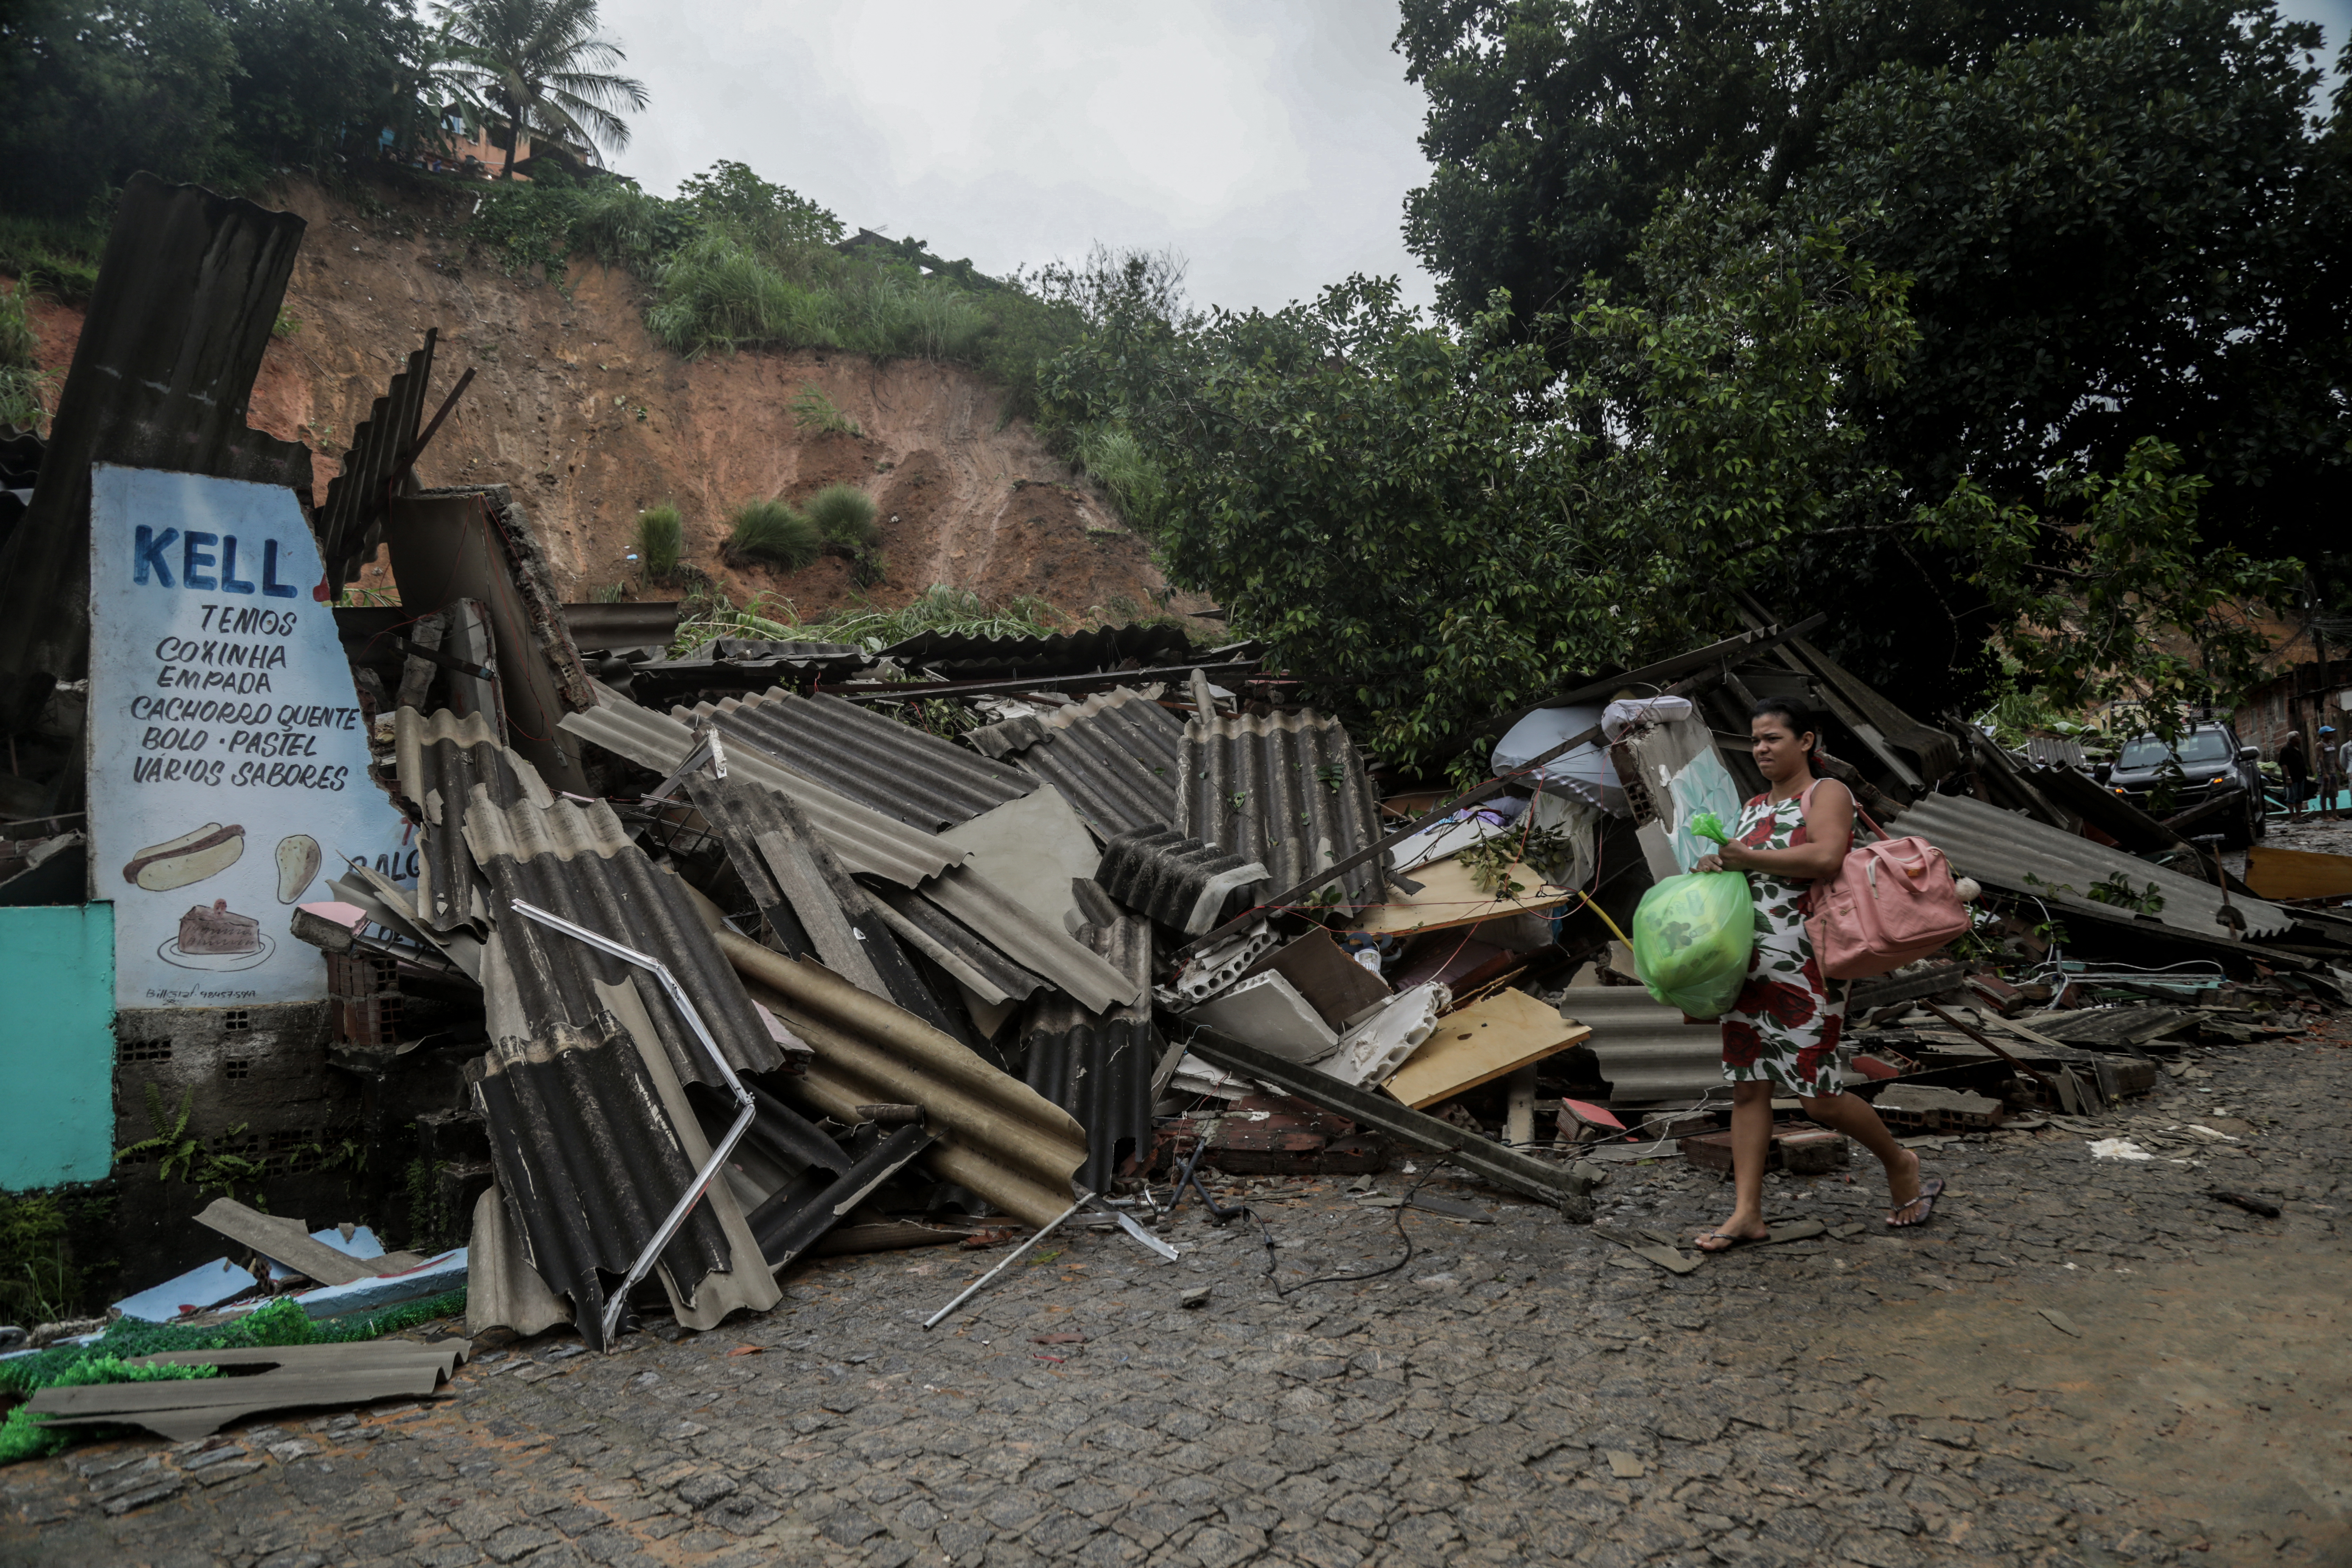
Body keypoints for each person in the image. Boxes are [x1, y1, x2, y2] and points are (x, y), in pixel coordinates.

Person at [1690, 698, 1938, 1250]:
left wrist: (1744, 859)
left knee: (1817, 1096)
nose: (1761, 749)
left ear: (1806, 741)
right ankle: (1747, 1213)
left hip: (1809, 962)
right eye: (1756, 740)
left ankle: (1901, 1162)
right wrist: (1714, 864)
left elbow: (1827, 857)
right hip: (1749, 965)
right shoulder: (1753, 806)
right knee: (1748, 1087)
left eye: (1774, 738)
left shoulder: (1826, 793)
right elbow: (1742, 870)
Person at [2280, 730, 2310, 821]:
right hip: (2292, 778)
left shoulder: (2297, 749)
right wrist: (2288, 778)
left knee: (2299, 798)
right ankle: (2293, 817)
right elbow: (2284, 765)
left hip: (2300, 777)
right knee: (2291, 798)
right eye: (2298, 737)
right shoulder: (2286, 749)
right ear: (2293, 739)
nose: (2300, 739)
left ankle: (2299, 816)